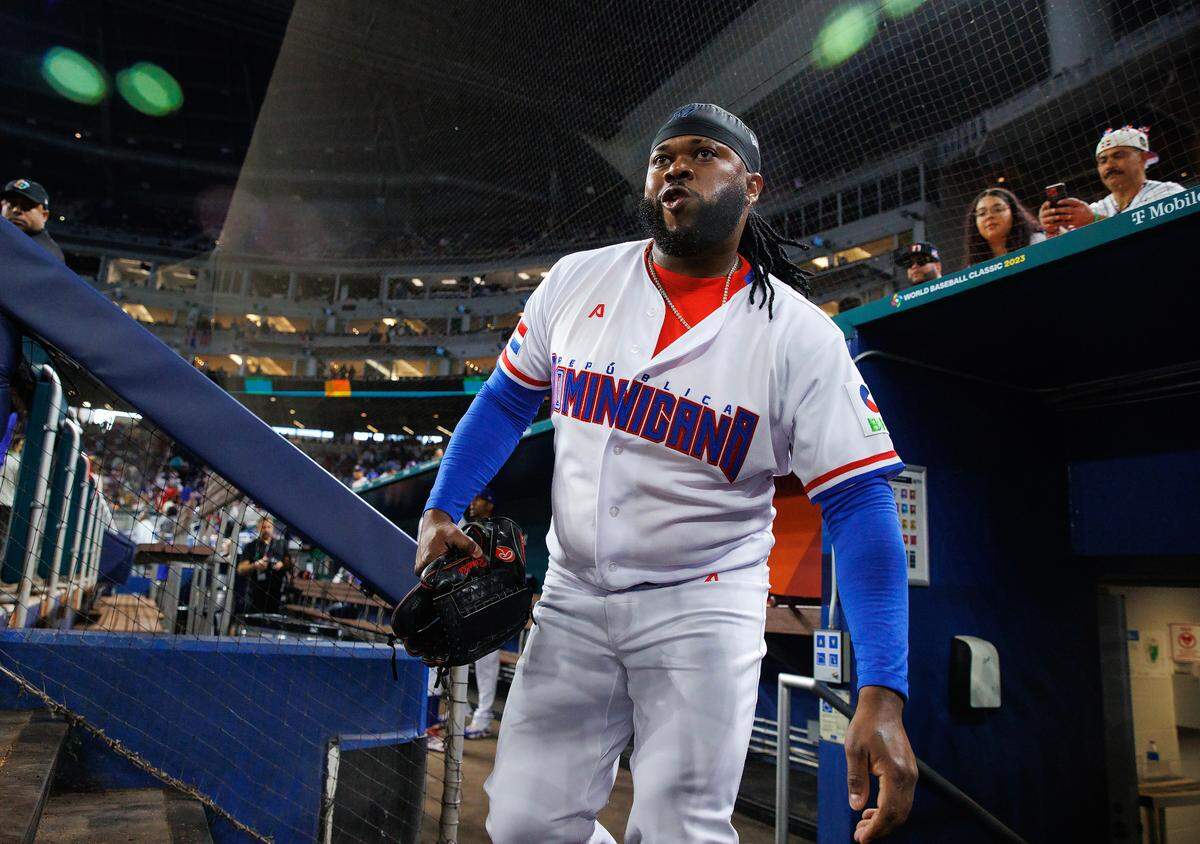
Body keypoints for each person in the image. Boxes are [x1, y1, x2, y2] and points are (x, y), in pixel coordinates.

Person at [416, 102, 915, 844]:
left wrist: (884, 690)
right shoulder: (577, 280)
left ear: (751, 187)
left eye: (702, 153)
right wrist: (440, 506)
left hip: (702, 604)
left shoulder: (800, 337)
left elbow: (861, 506)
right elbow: (504, 402)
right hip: (574, 594)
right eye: (662, 157)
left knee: (679, 829)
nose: (675, 165)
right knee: (522, 822)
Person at [1038, 125, 1185, 235]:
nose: (1109, 165)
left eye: (1118, 156)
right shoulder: (1096, 209)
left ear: (1142, 158)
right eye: (1102, 160)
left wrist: (1094, 221)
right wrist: (1053, 230)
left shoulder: (1168, 192)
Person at [461, 488, 502, 740]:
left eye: (478, 498)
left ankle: (484, 716)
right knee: (462, 657)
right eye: (472, 497)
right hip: (470, 601)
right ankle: (462, 708)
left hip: (492, 602)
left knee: (486, 662)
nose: (472, 502)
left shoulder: (500, 530)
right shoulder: (469, 528)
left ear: (490, 503)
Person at [963, 187, 1044, 266]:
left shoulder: (1038, 242)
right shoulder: (972, 268)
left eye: (998, 210)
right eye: (982, 213)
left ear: (1014, 213)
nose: (989, 216)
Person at [233, 516, 292, 616]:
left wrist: (281, 564)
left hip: (275, 593)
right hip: (255, 593)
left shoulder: (281, 545)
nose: (266, 530)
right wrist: (255, 565)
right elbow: (240, 569)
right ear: (258, 528)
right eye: (264, 527)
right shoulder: (252, 546)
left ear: (273, 528)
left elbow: (289, 563)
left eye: (269, 527)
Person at [1, 179, 64, 262]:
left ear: (44, 216)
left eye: (26, 206)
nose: (16, 210)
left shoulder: (43, 253)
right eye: (11, 204)